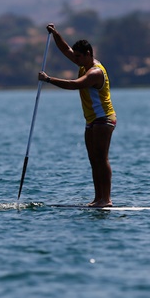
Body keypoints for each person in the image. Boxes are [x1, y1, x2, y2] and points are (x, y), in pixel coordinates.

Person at [38, 24, 117, 207]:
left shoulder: (94, 72)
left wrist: (48, 79)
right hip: (91, 120)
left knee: (101, 158)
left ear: (89, 54)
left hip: (104, 119)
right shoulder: (83, 62)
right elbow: (66, 49)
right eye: (76, 56)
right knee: (93, 160)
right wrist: (55, 33)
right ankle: (98, 198)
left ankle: (106, 199)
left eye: (79, 57)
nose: (76, 60)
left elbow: (75, 84)